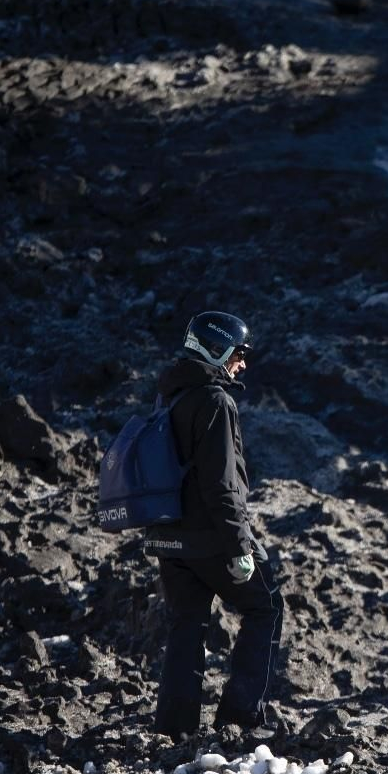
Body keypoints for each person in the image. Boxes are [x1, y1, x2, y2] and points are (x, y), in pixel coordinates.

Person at [141, 311, 283, 740]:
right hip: (209, 540)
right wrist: (240, 546)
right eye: (238, 354)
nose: (242, 364)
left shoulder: (169, 396)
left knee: (187, 625)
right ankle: (240, 720)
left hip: (167, 536)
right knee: (266, 607)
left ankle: (173, 730)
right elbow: (222, 486)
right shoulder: (216, 402)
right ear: (217, 348)